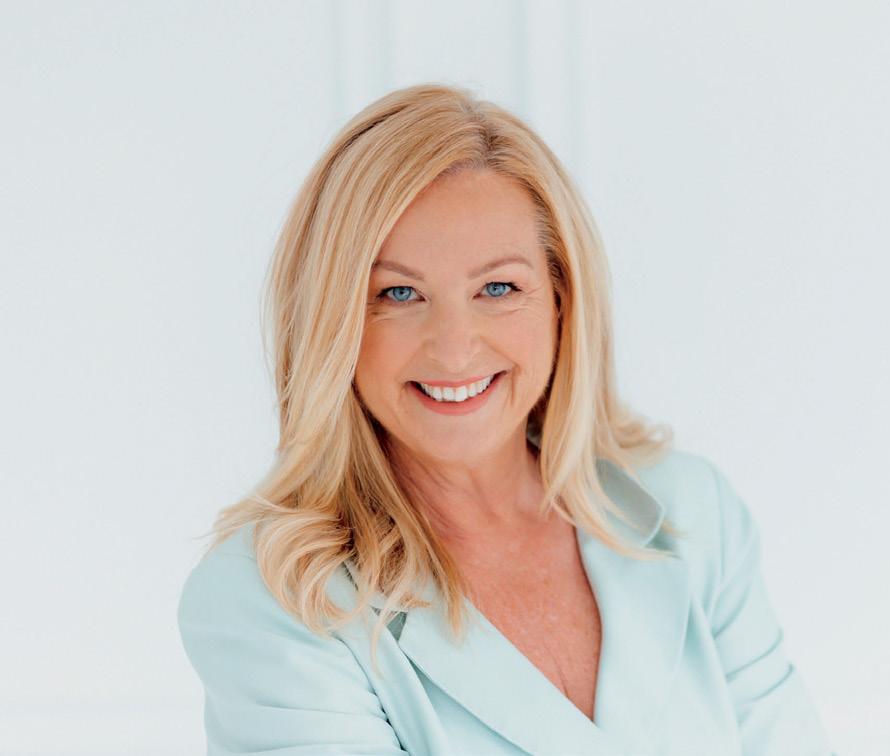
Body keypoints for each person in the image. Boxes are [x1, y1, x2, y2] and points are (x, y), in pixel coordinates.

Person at [177, 83, 835, 755]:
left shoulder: (693, 513)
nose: (454, 347)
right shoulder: (274, 598)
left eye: (497, 288)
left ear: (560, 301)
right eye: (398, 293)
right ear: (333, 321)